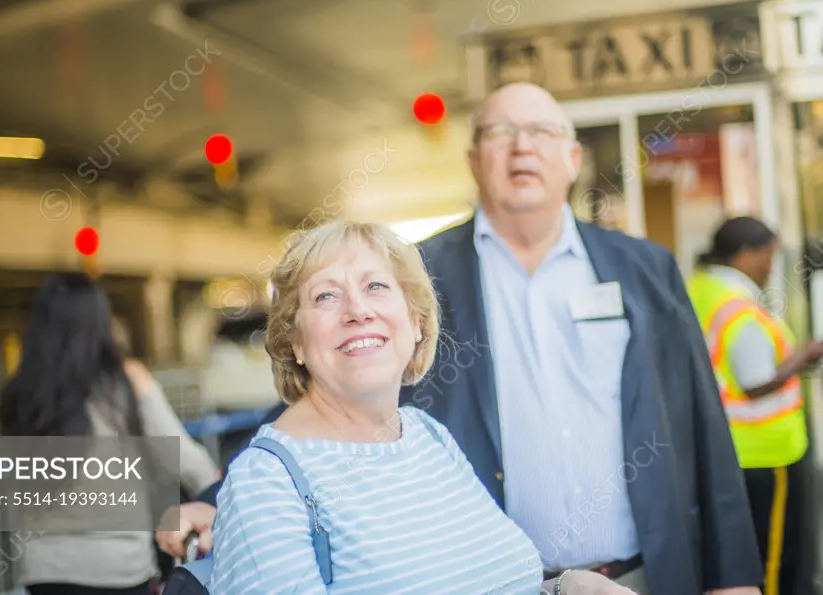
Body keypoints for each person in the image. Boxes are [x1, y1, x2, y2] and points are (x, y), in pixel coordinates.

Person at [400, 82, 762, 595]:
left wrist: (734, 579)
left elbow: (704, 425)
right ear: (474, 159)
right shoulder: (418, 276)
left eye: (541, 131)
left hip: (646, 579)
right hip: (488, 585)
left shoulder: (645, 268)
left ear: (572, 158)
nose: (522, 146)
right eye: (500, 132)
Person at [210, 221, 633, 594]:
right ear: (295, 342)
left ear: (415, 322)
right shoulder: (265, 484)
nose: (358, 310)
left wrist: (561, 587)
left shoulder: (426, 435)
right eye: (325, 296)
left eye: (376, 286)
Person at [0, 273, 220, 595]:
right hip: (120, 569)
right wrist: (217, 493)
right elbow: (186, 460)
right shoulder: (127, 381)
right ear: (100, 322)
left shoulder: (18, 395)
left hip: (44, 570)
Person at [686, 217, 823, 595]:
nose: (770, 266)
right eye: (768, 256)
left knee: (740, 557)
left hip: (728, 452)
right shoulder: (739, 308)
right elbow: (755, 382)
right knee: (775, 559)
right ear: (746, 255)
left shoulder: (700, 289)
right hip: (766, 452)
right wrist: (805, 355)